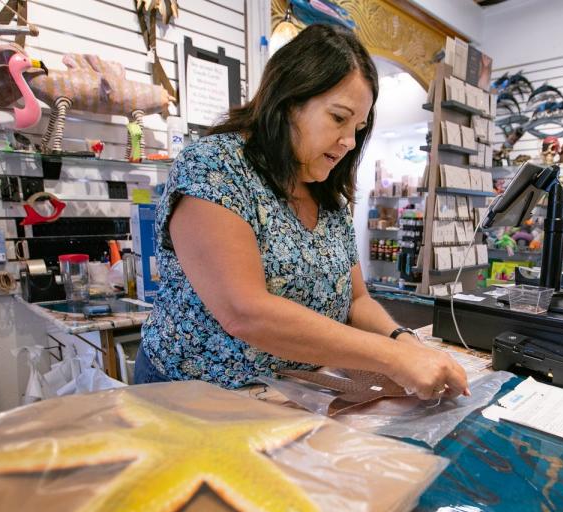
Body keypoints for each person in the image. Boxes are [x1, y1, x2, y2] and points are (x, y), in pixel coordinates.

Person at [135, 24, 468, 400]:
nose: (348, 141)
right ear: (288, 101)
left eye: (359, 127)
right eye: (338, 118)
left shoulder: (326, 194)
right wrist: (392, 358)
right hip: (194, 398)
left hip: (289, 395)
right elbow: (245, 312)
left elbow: (357, 300)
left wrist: (405, 342)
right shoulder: (214, 167)